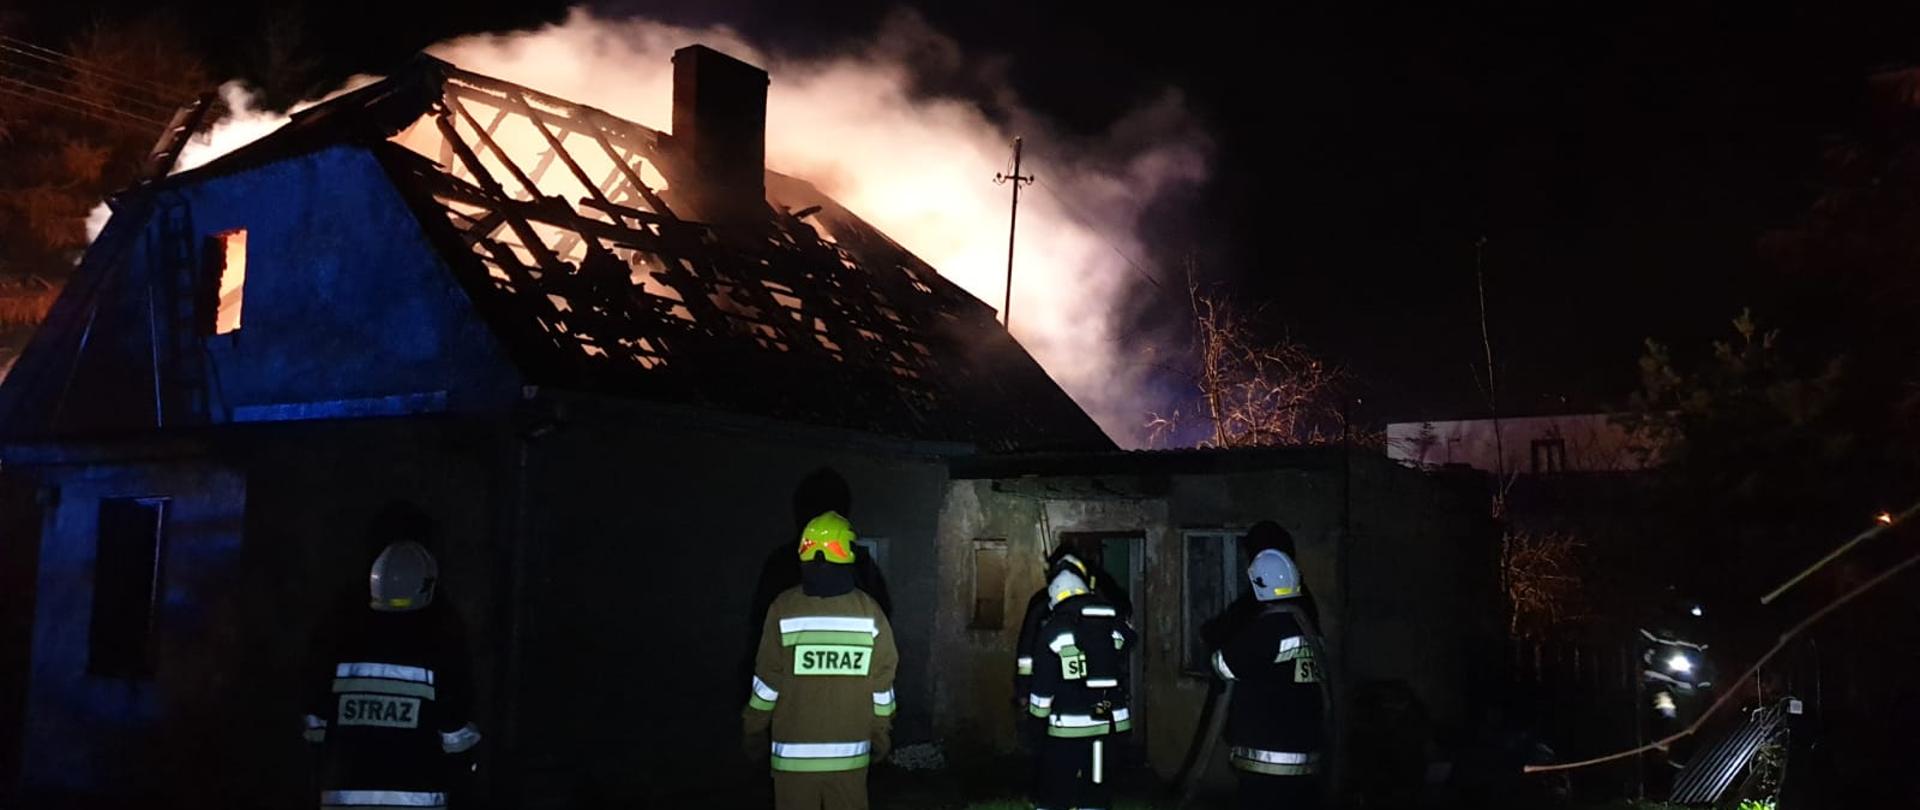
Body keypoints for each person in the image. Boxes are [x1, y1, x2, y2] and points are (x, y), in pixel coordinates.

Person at [305, 533, 481, 810]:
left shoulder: (340, 643)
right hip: (414, 800)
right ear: (426, 587)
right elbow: (456, 738)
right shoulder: (438, 649)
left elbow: (314, 727)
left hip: (342, 798)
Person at [744, 511, 898, 810]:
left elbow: (766, 682)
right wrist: (881, 736)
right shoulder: (870, 613)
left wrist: (753, 730)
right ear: (848, 554)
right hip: (850, 760)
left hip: (793, 762)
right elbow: (882, 688)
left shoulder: (784, 608)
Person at [1212, 549, 1329, 810]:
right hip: (1307, 759)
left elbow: (1223, 664)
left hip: (1268, 763)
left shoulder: (1268, 630)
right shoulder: (1310, 631)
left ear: (1258, 584)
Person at [1027, 568, 1137, 810]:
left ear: (1056, 597)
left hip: (1066, 731)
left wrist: (1035, 726)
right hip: (1106, 726)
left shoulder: (1054, 630)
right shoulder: (1109, 624)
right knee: (1095, 787)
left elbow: (1043, 689)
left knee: (1056, 790)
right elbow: (1129, 639)